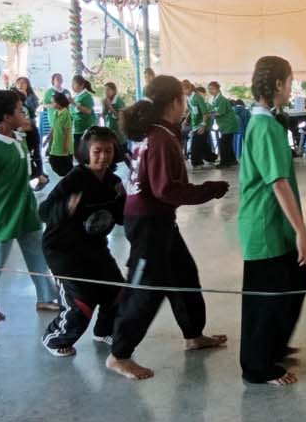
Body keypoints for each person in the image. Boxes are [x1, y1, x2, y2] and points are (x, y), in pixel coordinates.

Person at [106, 75, 230, 381]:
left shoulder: (157, 132)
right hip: (147, 222)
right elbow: (166, 190)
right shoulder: (160, 137)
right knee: (148, 290)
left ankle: (193, 334)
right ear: (175, 101)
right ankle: (119, 354)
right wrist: (209, 190)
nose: (184, 104)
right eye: (183, 99)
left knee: (183, 274)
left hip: (160, 220)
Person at [239, 56, 306, 386]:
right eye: (290, 81)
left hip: (272, 223)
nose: (291, 87)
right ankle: (257, 366)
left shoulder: (267, 122)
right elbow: (278, 183)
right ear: (278, 84)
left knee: (296, 280)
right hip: (264, 225)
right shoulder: (265, 127)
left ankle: (274, 345)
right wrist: (302, 231)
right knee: (265, 299)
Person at [0, 89, 59, 322]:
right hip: (4, 209)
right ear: (7, 117)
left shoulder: (18, 138)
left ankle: (46, 296)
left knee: (36, 250)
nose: (25, 114)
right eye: (20, 111)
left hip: (25, 205)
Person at [40, 126, 127, 357]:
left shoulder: (113, 181)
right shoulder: (74, 179)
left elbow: (120, 218)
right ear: (86, 152)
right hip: (63, 250)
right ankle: (55, 339)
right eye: (97, 151)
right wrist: (65, 208)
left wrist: (122, 199)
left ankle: (104, 330)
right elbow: (44, 212)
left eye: (108, 151)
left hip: (94, 247)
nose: (103, 156)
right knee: (82, 301)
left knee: (117, 291)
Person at [13, 77, 45, 183]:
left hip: (30, 134)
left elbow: (30, 122)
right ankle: (38, 175)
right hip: (22, 134)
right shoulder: (15, 103)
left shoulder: (29, 101)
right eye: (19, 83)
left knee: (34, 154)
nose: (21, 85)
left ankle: (39, 175)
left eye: (23, 83)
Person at [206, 81, 239, 168]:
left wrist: (207, 115)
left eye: (212, 89)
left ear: (217, 89)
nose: (210, 91)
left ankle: (224, 163)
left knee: (224, 144)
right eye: (209, 89)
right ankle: (232, 160)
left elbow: (219, 113)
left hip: (229, 124)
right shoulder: (215, 100)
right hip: (224, 125)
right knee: (227, 143)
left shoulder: (221, 100)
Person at [45, 92, 76, 178]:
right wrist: (48, 138)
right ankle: (66, 176)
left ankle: (71, 178)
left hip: (64, 144)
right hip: (57, 143)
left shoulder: (66, 114)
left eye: (53, 102)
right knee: (52, 159)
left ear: (59, 103)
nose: (52, 104)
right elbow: (53, 127)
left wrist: (66, 144)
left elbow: (67, 131)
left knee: (67, 165)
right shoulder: (55, 113)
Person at [188, 86, 216, 168]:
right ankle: (211, 158)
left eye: (200, 94)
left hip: (204, 125)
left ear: (204, 94)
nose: (199, 95)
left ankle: (197, 162)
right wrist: (186, 121)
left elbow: (208, 115)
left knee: (197, 143)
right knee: (202, 143)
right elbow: (192, 112)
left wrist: (204, 125)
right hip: (196, 125)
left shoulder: (207, 104)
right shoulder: (191, 100)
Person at [71, 75, 97, 141]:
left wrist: (74, 104)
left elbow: (88, 111)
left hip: (85, 130)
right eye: (72, 83)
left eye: (74, 84)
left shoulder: (86, 96)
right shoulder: (76, 96)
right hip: (76, 128)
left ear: (82, 85)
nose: (72, 86)